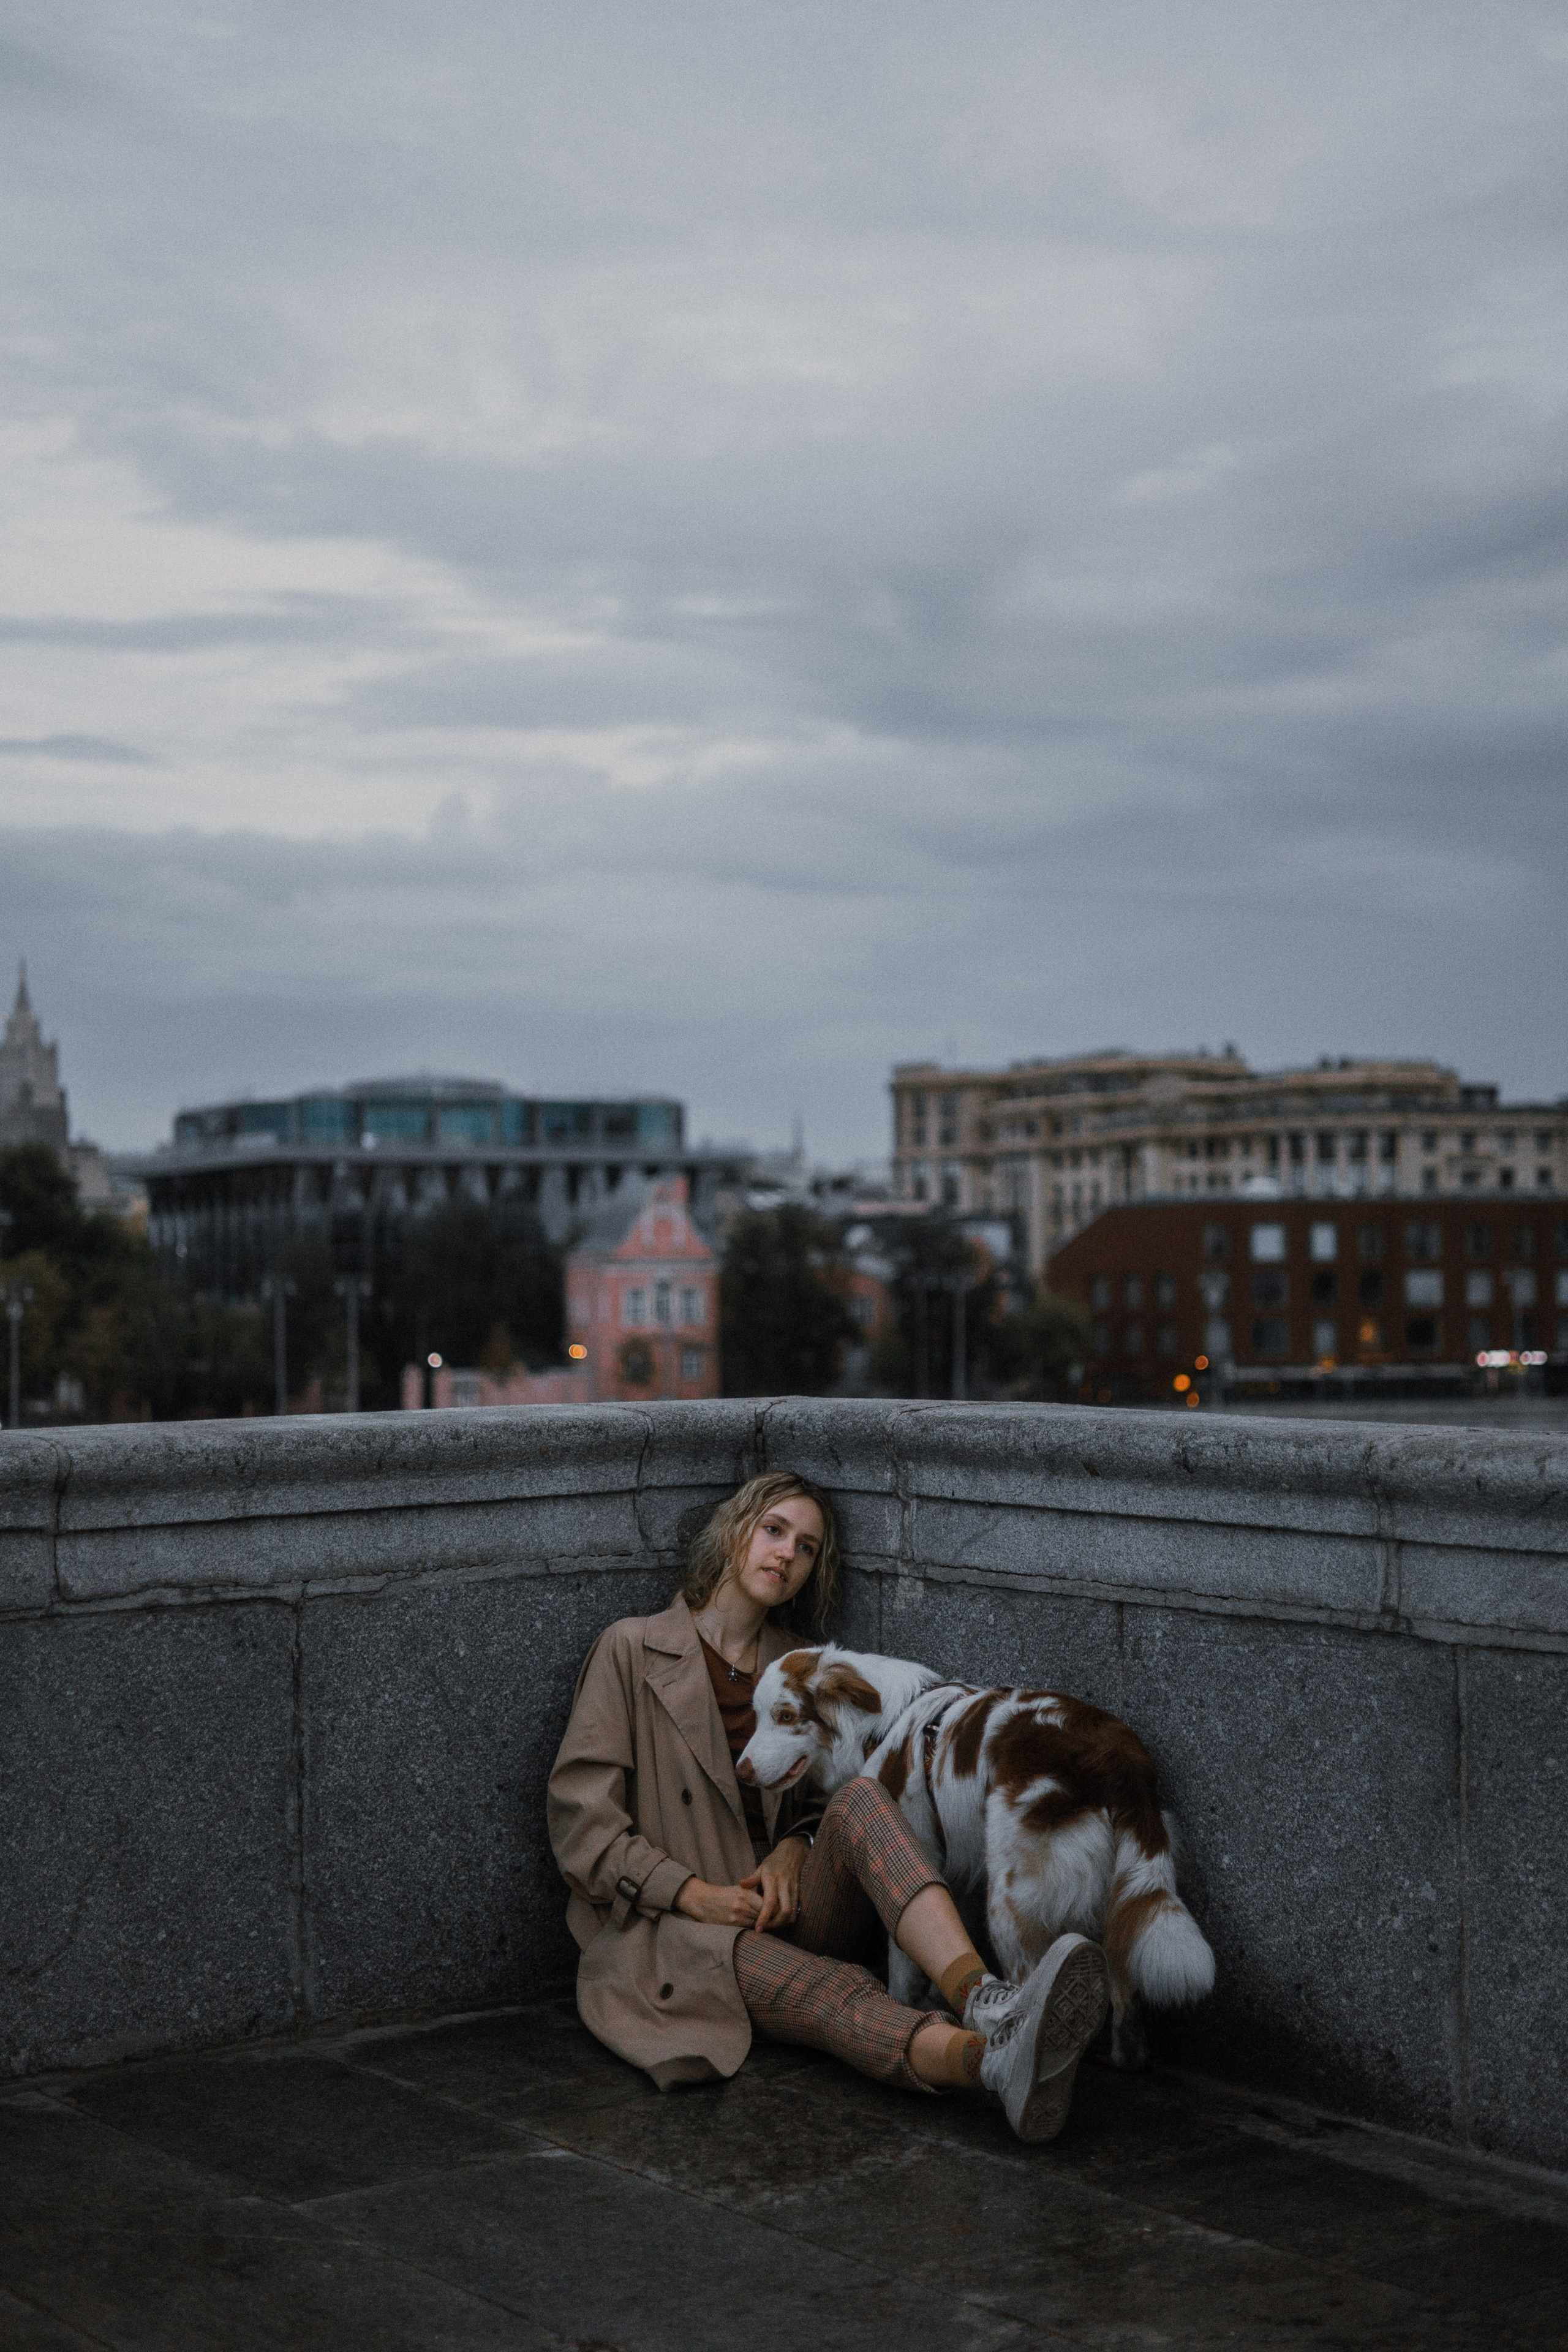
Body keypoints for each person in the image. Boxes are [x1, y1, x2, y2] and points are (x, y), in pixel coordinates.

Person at [547, 1469, 1109, 2141]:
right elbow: (583, 1826)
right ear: (734, 1532)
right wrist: (692, 1893)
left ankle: (983, 2000)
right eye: (774, 1531)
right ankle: (990, 2062)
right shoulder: (632, 1649)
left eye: (806, 1547)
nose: (786, 1554)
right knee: (828, 1991)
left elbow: (821, 1802)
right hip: (683, 1933)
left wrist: (794, 1846)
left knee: (864, 1796)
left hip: (793, 1902)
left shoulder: (799, 1663)